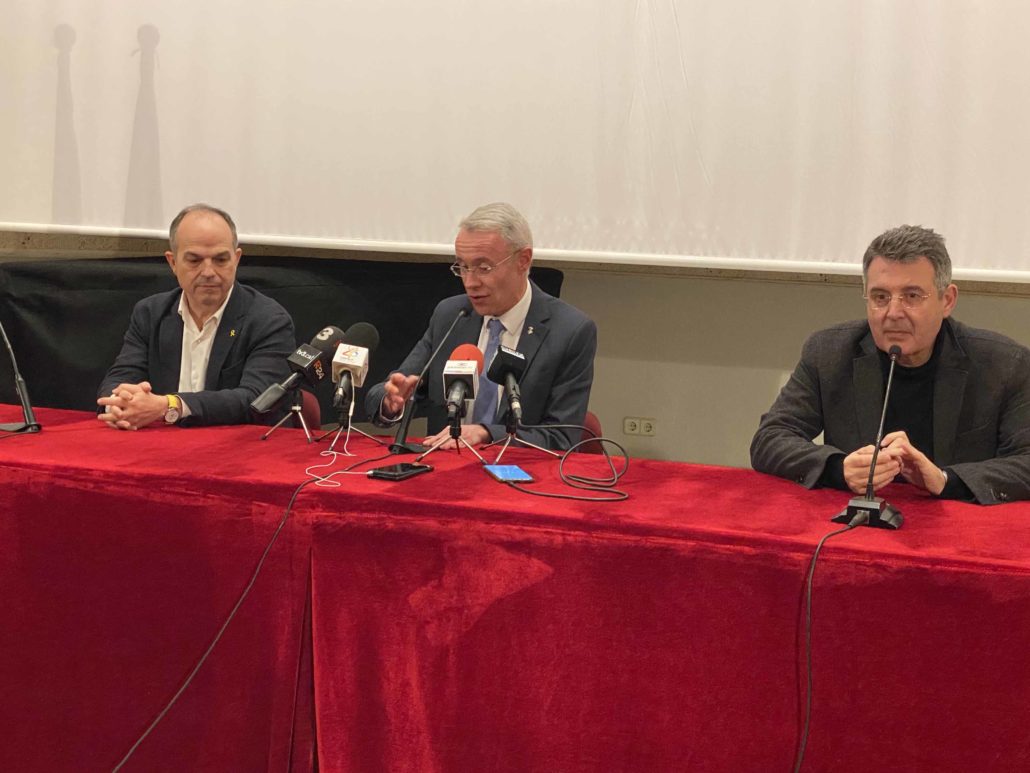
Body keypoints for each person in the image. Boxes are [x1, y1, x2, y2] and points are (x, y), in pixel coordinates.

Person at [750, 224, 1030, 504]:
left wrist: (945, 479)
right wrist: (839, 468)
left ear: (947, 300)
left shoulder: (1004, 365)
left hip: (957, 523)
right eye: (880, 297)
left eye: (912, 296)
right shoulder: (829, 353)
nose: (893, 313)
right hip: (860, 521)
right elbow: (770, 438)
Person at [365, 202, 597, 451]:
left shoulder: (570, 331)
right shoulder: (451, 315)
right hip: (444, 467)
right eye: (463, 267)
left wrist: (487, 433)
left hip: (519, 470)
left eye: (484, 268)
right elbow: (396, 386)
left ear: (523, 260)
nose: (470, 282)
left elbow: (562, 438)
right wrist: (390, 402)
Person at [97, 204, 295, 429]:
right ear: (173, 262)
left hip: (235, 444)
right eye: (194, 261)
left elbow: (257, 400)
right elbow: (120, 378)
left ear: (236, 259)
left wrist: (170, 406)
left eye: (220, 260)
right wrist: (119, 404)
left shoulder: (268, 320)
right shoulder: (151, 313)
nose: (208, 272)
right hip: (162, 443)